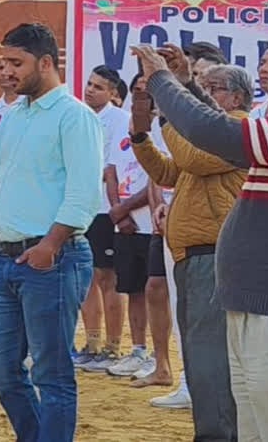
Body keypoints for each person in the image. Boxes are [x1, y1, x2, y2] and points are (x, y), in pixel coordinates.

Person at [0, 23, 102, 441]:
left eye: (15, 63)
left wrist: (50, 245)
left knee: (52, 373)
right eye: (3, 62)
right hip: (8, 259)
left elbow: (82, 195)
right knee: (0, 365)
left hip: (53, 259)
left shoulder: (74, 116)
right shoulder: (14, 116)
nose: (5, 71)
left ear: (45, 63)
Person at [134, 45, 265, 439]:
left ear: (237, 98)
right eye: (201, 87)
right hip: (193, 256)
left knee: (210, 364)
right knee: (198, 358)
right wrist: (140, 136)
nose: (203, 97)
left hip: (213, 255)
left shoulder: (239, 128)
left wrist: (168, 112)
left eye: (213, 89)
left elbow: (189, 159)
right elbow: (168, 172)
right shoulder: (218, 137)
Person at [75, 65, 132, 369]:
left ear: (113, 93)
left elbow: (118, 166)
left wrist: (118, 207)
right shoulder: (78, 117)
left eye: (99, 87)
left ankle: (113, 347)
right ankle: (92, 342)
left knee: (107, 276)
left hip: (105, 208)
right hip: (80, 207)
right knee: (87, 276)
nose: (90, 90)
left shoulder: (121, 121)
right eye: (89, 84)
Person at [99, 74, 155, 378]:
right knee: (132, 289)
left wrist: (125, 208)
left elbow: (160, 179)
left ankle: (160, 356)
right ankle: (138, 350)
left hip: (153, 226)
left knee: (157, 292)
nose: (139, 98)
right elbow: (111, 172)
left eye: (146, 93)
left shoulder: (163, 130)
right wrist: (119, 214)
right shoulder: (123, 126)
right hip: (126, 226)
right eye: (136, 92)